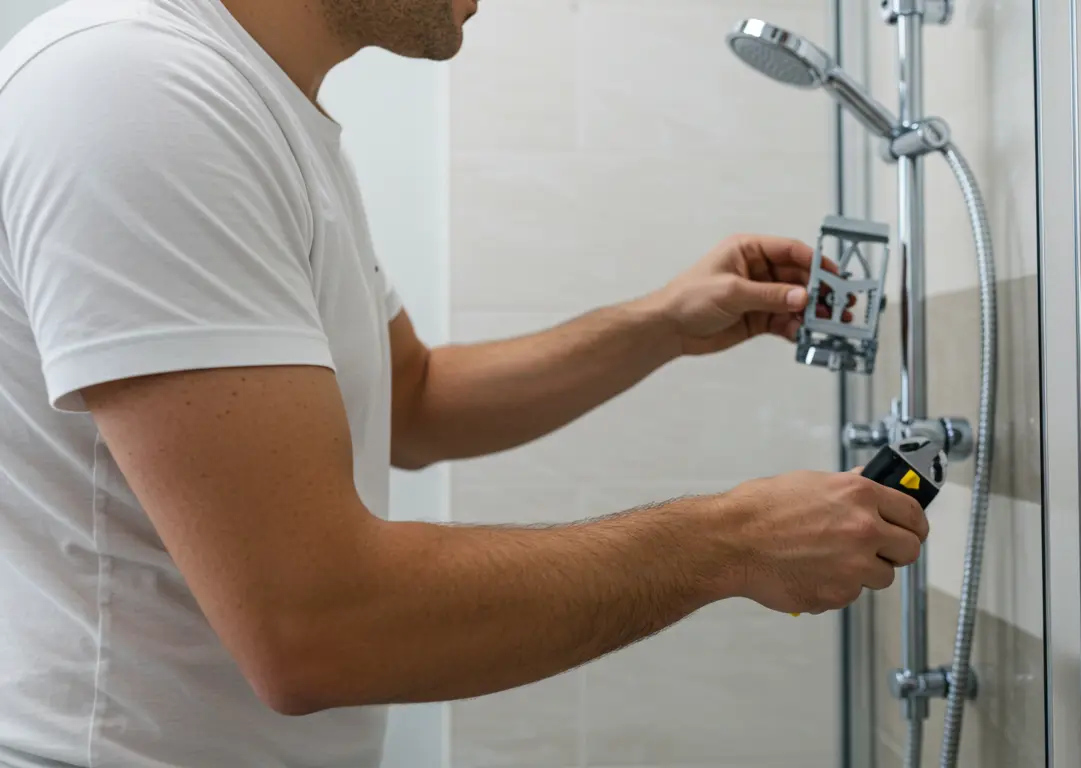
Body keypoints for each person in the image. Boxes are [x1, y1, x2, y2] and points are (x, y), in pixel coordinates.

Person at [0, 0, 929, 766]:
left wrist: (659, 325)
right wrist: (729, 542)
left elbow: (413, 400)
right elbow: (315, 624)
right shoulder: (132, 93)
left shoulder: (255, 103)